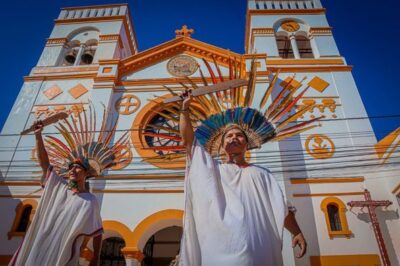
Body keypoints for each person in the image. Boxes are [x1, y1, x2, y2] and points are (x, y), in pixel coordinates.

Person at [178, 90, 307, 266]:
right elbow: (188, 143)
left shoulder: (263, 174)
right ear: (222, 146)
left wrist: (297, 232)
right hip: (221, 249)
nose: (234, 138)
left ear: (247, 144)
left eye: (239, 135)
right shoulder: (213, 171)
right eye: (229, 136)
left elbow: (280, 207)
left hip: (258, 249)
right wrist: (184, 110)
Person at [10, 110, 129, 266]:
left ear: (86, 173)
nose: (72, 170)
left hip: (63, 252)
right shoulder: (59, 186)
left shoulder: (89, 200)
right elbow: (44, 163)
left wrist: (95, 258)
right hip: (39, 247)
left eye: (78, 167)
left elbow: (98, 230)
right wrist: (38, 135)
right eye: (71, 167)